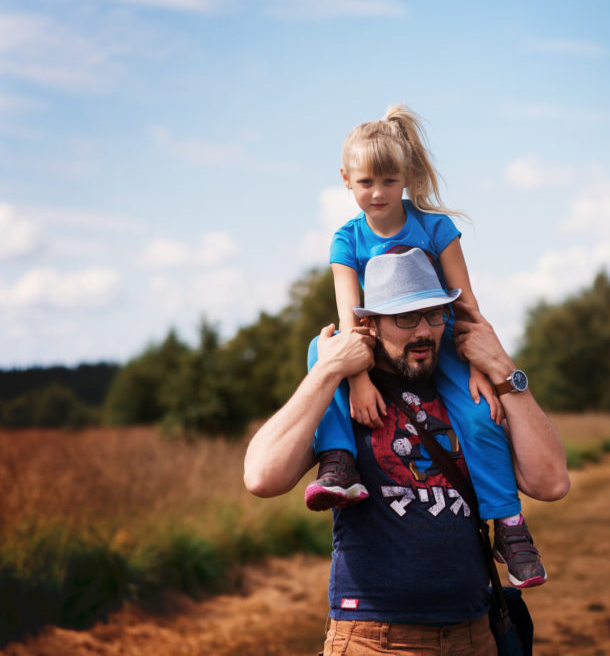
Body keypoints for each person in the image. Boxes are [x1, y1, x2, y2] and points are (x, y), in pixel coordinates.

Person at [244, 248, 570, 655]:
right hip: (372, 640)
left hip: (475, 634)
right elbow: (261, 477)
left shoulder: (471, 391)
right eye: (405, 318)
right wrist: (327, 370)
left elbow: (552, 482)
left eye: (434, 314)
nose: (423, 332)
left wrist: (503, 369)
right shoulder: (345, 392)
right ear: (370, 324)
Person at [303, 103, 548, 588]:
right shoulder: (345, 240)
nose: (378, 193)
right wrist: (357, 379)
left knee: (482, 415)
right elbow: (350, 317)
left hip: (442, 337)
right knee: (321, 350)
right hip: (376, 339)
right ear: (345, 180)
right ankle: (338, 463)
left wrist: (481, 366)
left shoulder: (436, 228)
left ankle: (510, 526)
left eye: (389, 182)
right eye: (366, 182)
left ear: (408, 176)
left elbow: (468, 304)